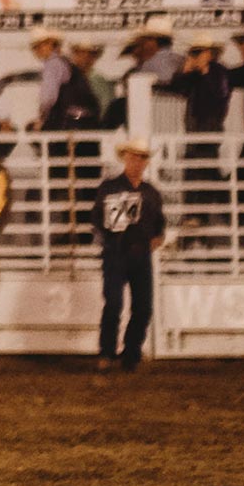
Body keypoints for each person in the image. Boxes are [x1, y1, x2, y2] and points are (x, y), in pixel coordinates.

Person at [93, 137, 165, 372]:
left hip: (141, 254)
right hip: (116, 252)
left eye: (142, 157)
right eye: (134, 156)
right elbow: (98, 221)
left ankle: (130, 353)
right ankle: (108, 352)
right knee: (114, 303)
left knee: (143, 307)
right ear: (125, 158)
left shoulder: (151, 192)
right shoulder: (110, 187)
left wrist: (158, 236)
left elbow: (159, 223)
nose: (137, 161)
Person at [31, 26, 99, 130]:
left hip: (68, 121)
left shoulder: (53, 63)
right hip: (84, 120)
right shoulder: (66, 63)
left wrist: (41, 119)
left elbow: (48, 98)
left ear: (49, 44)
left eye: (38, 46)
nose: (35, 50)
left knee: (34, 132)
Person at [169, 34, 231, 133]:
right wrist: (184, 71)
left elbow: (220, 94)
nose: (196, 56)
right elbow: (176, 89)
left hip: (212, 122)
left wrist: (205, 72)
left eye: (199, 52)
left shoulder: (219, 70)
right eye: (194, 52)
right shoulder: (194, 74)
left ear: (210, 53)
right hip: (193, 122)